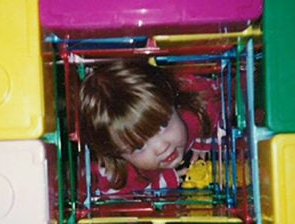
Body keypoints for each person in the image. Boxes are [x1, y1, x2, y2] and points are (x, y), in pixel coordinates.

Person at [78, 59, 221, 195]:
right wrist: (163, 181)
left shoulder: (193, 114)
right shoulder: (118, 175)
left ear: (171, 101)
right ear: (115, 153)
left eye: (163, 125)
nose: (161, 147)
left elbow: (213, 98)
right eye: (139, 147)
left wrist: (204, 139)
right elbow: (113, 197)